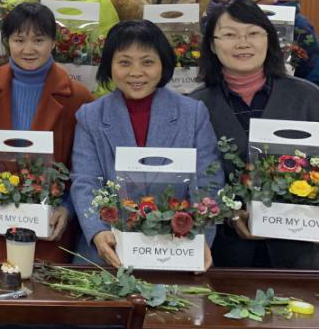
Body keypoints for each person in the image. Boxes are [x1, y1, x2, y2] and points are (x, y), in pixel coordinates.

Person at [192, 0, 319, 269]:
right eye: (230, 35)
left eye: (253, 33)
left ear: (269, 40)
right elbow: (194, 183)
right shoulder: (196, 105)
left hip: (304, 256)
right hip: (228, 259)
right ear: (211, 44)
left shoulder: (308, 97)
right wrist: (231, 215)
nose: (243, 43)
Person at [69, 20, 222, 268]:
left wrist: (201, 236)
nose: (136, 72)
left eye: (147, 62)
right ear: (109, 65)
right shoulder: (90, 116)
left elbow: (208, 181)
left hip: (177, 247)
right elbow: (85, 181)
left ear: (163, 64)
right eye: (124, 62)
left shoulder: (192, 113)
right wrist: (97, 231)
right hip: (110, 250)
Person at [0, 3, 94, 263]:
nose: (28, 49)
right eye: (19, 40)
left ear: (54, 43)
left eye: (38, 40)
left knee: (46, 288)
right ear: (7, 42)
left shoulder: (78, 97)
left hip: (50, 224)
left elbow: (82, 165)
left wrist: (67, 209)